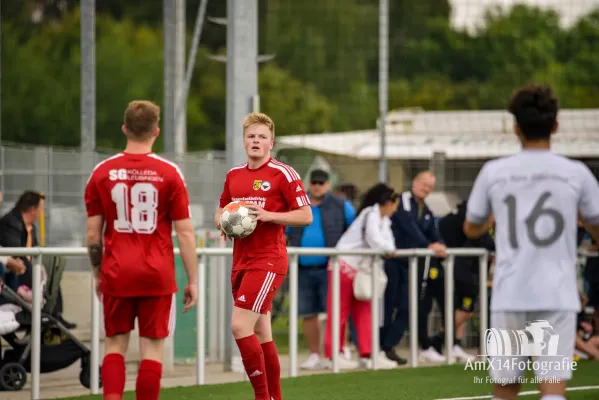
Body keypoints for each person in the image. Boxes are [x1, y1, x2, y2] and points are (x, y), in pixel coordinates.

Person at [464, 84, 599, 400]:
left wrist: (490, 219)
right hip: (556, 293)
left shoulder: (494, 172)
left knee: (506, 390)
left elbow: (471, 227)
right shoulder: (574, 173)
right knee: (553, 390)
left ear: (515, 128)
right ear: (556, 126)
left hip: (510, 292)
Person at [84, 100, 198, 400]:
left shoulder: (102, 172)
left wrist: (98, 274)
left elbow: (93, 236)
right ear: (156, 131)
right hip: (156, 274)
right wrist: (193, 280)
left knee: (115, 344)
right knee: (152, 347)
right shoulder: (169, 173)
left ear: (125, 129)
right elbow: (185, 233)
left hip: (117, 272)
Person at [214, 112, 312, 400]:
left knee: (239, 326)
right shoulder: (233, 175)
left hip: (268, 260)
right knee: (262, 333)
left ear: (272, 143)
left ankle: (262, 397)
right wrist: (223, 222)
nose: (256, 141)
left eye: (262, 137)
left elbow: (306, 216)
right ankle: (275, 397)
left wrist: (270, 215)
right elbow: (220, 211)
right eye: (251, 136)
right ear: (244, 142)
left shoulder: (283, 173)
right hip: (241, 260)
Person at [323, 183, 400, 370]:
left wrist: (388, 249)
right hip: (344, 266)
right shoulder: (370, 215)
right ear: (387, 202)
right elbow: (375, 240)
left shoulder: (384, 220)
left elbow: (388, 242)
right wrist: (387, 250)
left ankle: (368, 353)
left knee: (365, 311)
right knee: (339, 311)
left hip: (361, 272)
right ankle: (333, 353)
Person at [286, 168, 356, 370]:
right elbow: (285, 230)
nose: (317, 186)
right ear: (309, 183)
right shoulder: (297, 203)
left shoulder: (342, 205)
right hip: (302, 267)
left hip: (331, 267)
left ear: (328, 184)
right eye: (314, 182)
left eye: (321, 183)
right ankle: (315, 354)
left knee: (335, 312)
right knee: (308, 313)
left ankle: (337, 352)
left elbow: (353, 230)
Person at [380, 171, 447, 365]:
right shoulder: (402, 201)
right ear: (414, 182)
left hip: (410, 264)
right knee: (388, 304)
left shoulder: (424, 209)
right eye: (423, 184)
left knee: (408, 306)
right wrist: (428, 245)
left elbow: (432, 230)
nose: (426, 189)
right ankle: (380, 347)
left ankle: (388, 345)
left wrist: (439, 244)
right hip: (392, 261)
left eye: (430, 187)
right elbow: (407, 226)